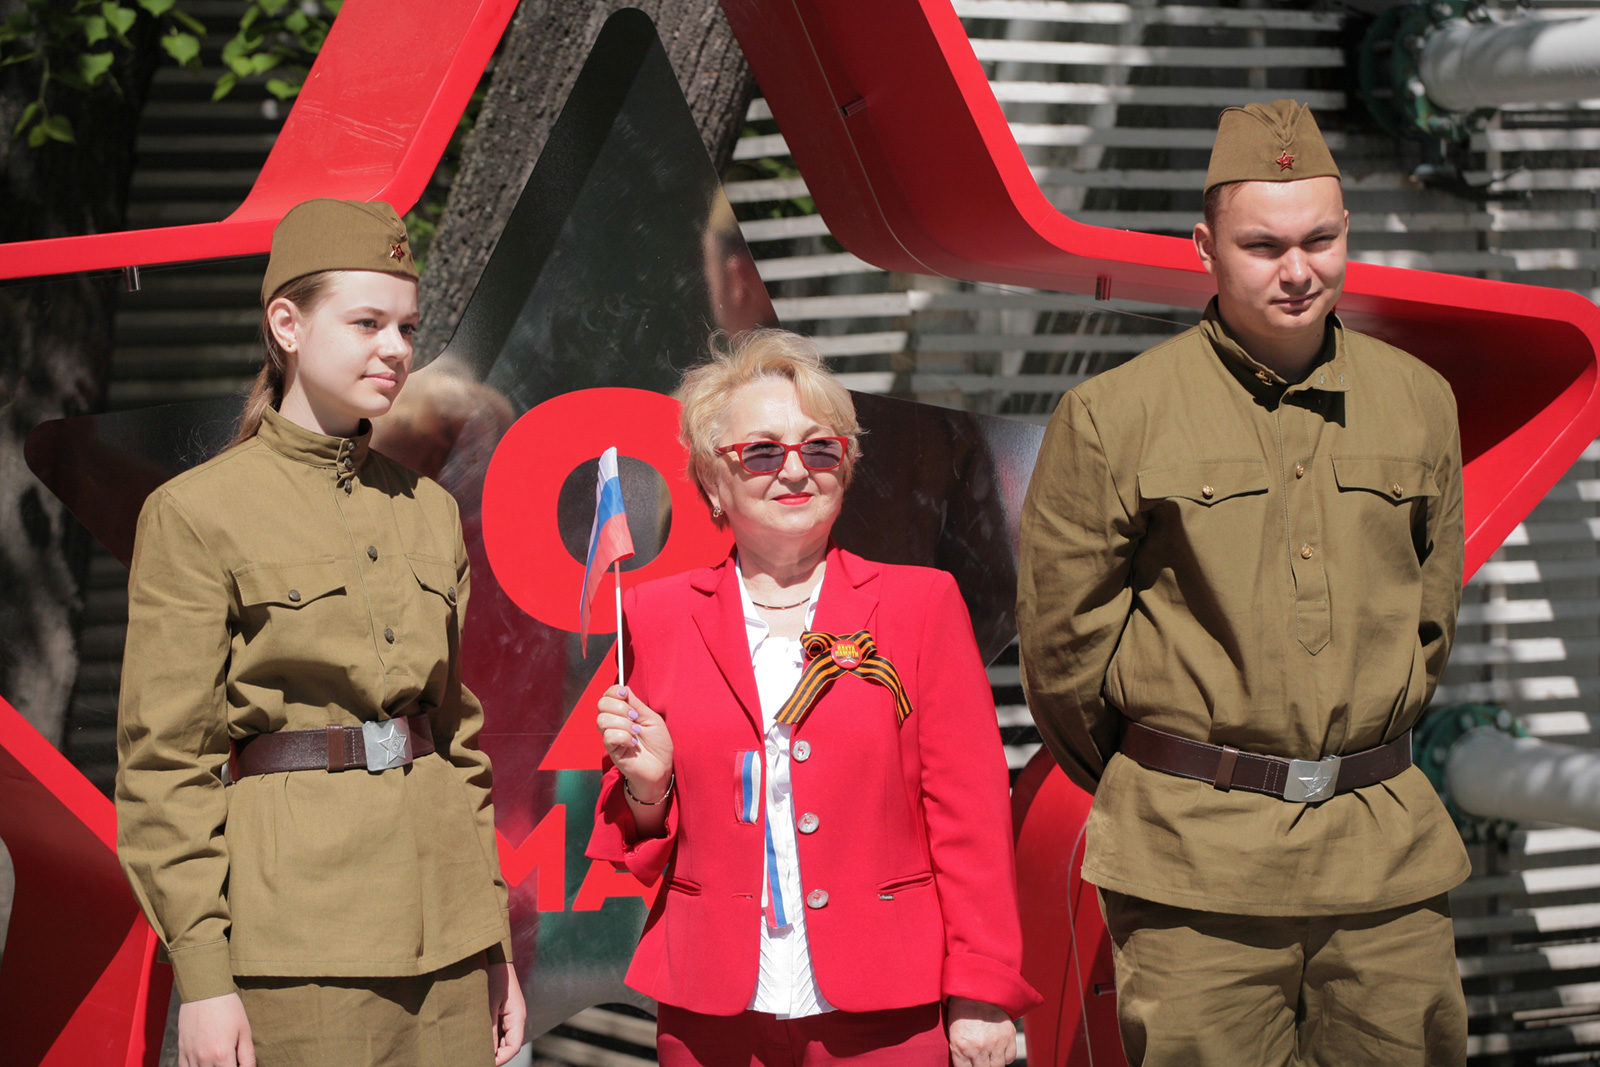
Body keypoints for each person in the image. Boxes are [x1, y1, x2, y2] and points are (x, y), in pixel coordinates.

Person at [1017, 100, 1469, 1065]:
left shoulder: (1421, 402)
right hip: (1195, 871)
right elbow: (1064, 656)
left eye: (1320, 239)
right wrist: (1180, 779)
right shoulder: (1114, 416)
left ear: (1348, 234)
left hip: (1382, 862)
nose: (1298, 270)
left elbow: (1429, 624)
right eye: (1263, 245)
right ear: (1203, 247)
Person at [115, 199, 525, 1067]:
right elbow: (164, 769)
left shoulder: (431, 512)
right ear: (287, 324)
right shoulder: (196, 514)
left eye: (408, 326)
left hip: (448, 940)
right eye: (367, 321)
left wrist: (491, 943)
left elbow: (458, 740)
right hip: (301, 946)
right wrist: (204, 977)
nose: (396, 348)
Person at [586, 328, 1040, 1066]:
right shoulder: (657, 615)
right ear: (712, 479)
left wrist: (983, 989)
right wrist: (651, 785)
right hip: (714, 1014)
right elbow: (640, 841)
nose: (795, 471)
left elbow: (970, 813)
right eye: (762, 452)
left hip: (887, 1010)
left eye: (820, 448)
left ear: (846, 465)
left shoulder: (921, 604)